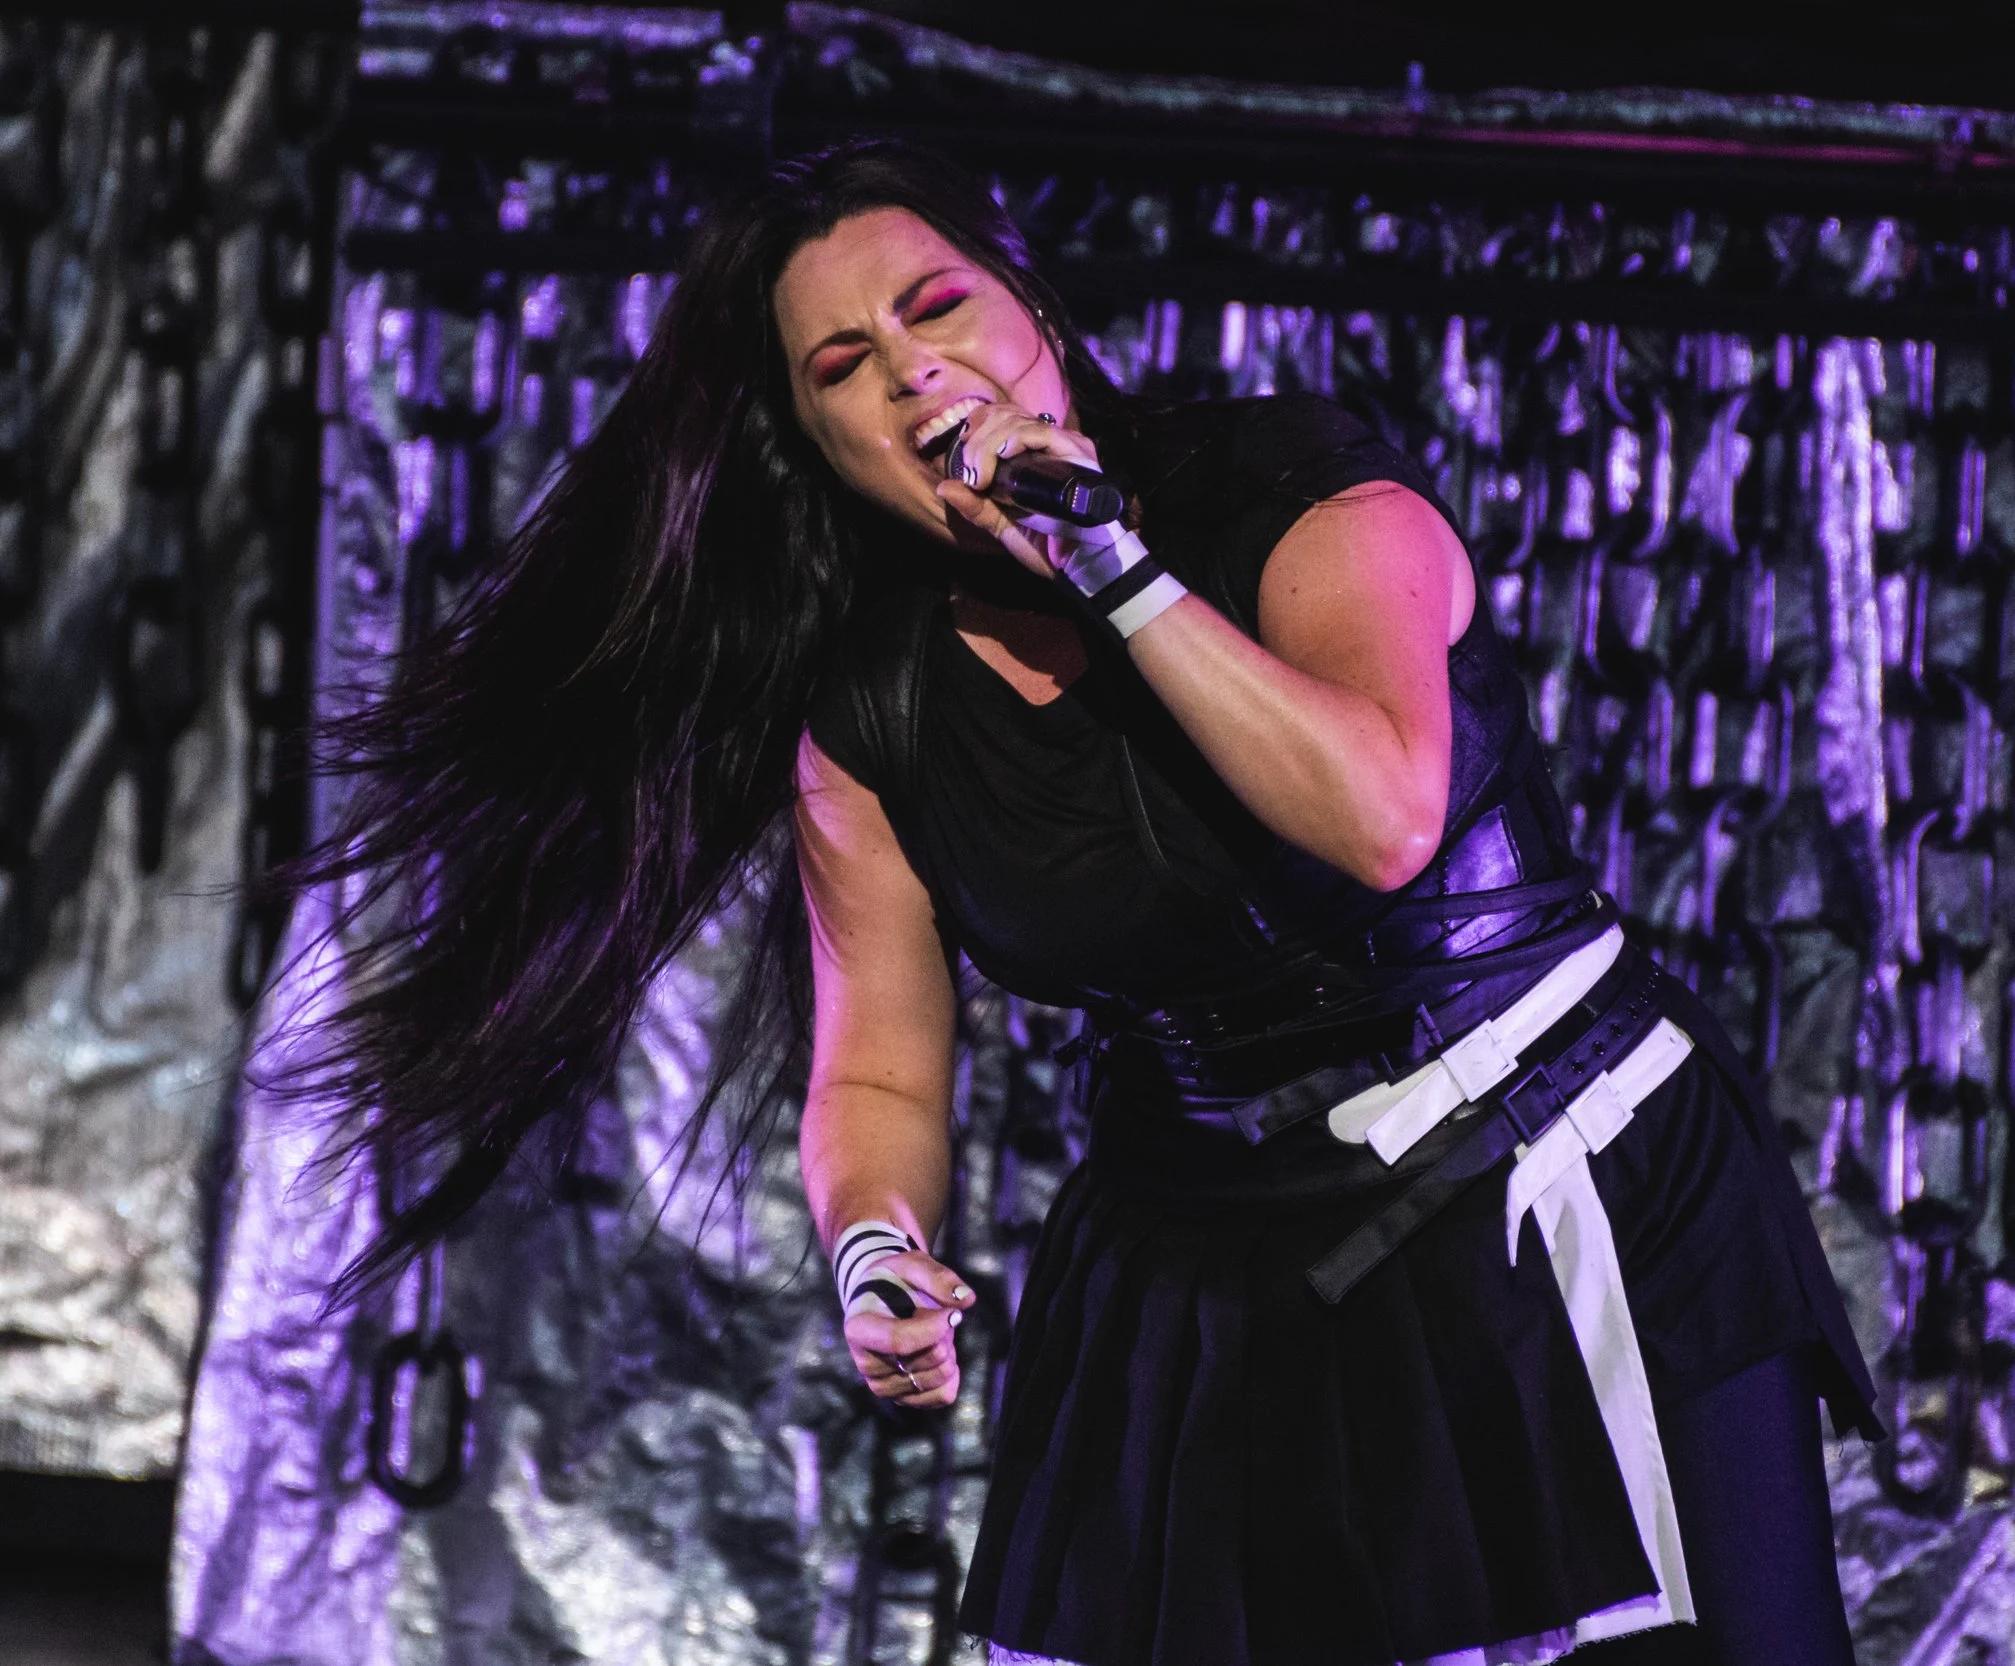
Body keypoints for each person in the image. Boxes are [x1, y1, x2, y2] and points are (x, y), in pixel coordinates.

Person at [296, 140, 1882, 1666]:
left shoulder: (1297, 492)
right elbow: (875, 1066)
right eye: (843, 365)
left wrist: (1109, 563)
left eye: (935, 306)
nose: (911, 369)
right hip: (1208, 1251)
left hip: (1544, 1150)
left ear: (1033, 309)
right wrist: (872, 1246)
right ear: (818, 441)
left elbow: (1382, 814)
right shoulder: (877, 712)